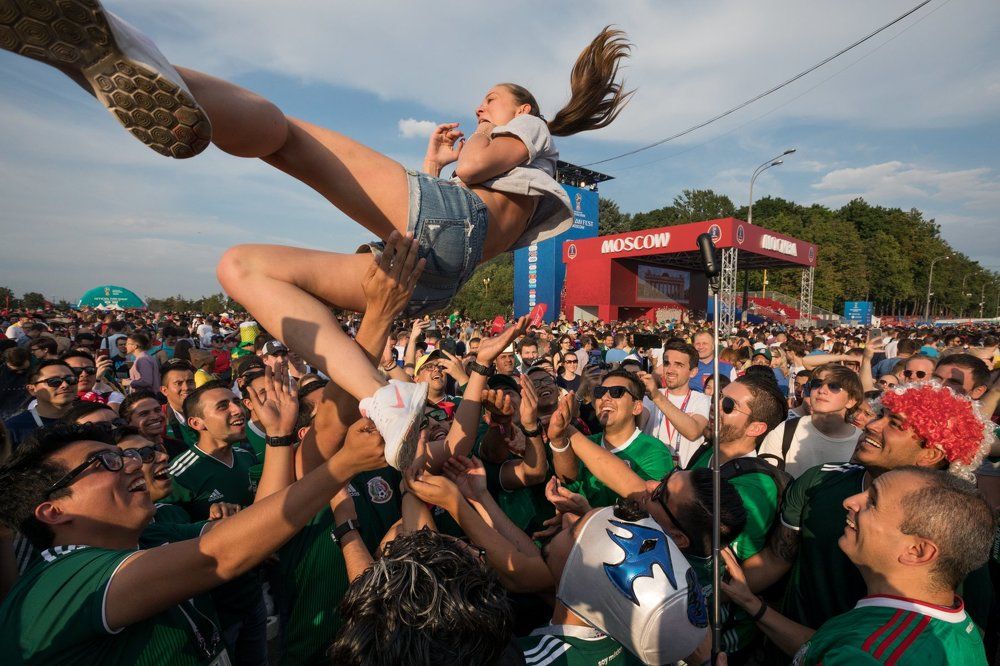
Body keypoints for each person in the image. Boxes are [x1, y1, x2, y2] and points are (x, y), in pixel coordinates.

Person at [0, 3, 632, 471]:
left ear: (524, 108)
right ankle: (385, 401)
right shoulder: (531, 174)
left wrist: (463, 154)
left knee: (283, 135)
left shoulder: (531, 128)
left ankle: (121, 51)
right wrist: (432, 167)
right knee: (242, 268)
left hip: (442, 234)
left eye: (489, 101)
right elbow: (462, 212)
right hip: (435, 277)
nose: (479, 109)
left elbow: (471, 174)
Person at [0, 416, 387, 663]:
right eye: (106, 462)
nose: (134, 463)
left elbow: (254, 527)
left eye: (127, 456)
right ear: (54, 511)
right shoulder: (59, 581)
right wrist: (345, 464)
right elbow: (218, 556)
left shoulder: (149, 538)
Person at [740, 381, 994, 638]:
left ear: (931, 454)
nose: (871, 426)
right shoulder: (820, 479)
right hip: (781, 644)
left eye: (894, 424)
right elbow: (777, 557)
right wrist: (716, 592)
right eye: (880, 415)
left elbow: (963, 631)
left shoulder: (954, 527)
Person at [721, 468, 994, 664]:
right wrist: (752, 604)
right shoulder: (944, 621)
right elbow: (821, 647)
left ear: (917, 551)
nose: (849, 502)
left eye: (873, 501)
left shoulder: (869, 655)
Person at [549, 369, 673, 509]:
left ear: (637, 407)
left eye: (616, 392)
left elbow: (649, 510)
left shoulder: (655, 451)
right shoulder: (587, 443)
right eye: (600, 391)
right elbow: (570, 483)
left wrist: (586, 514)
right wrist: (558, 439)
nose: (605, 397)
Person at [758, 363, 863, 477]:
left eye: (834, 386)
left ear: (851, 401)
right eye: (817, 384)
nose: (822, 390)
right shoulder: (786, 430)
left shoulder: (862, 443)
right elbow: (764, 481)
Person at [639, 338, 710, 467]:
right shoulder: (649, 397)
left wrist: (657, 397)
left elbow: (693, 432)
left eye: (679, 365)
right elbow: (636, 425)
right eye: (667, 363)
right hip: (652, 474)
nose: (670, 370)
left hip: (685, 478)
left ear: (693, 372)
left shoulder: (703, 400)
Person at [3, 360, 78, 450]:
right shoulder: (13, 429)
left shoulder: (93, 417)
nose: (65, 385)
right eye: (54, 381)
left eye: (70, 379)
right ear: (32, 389)